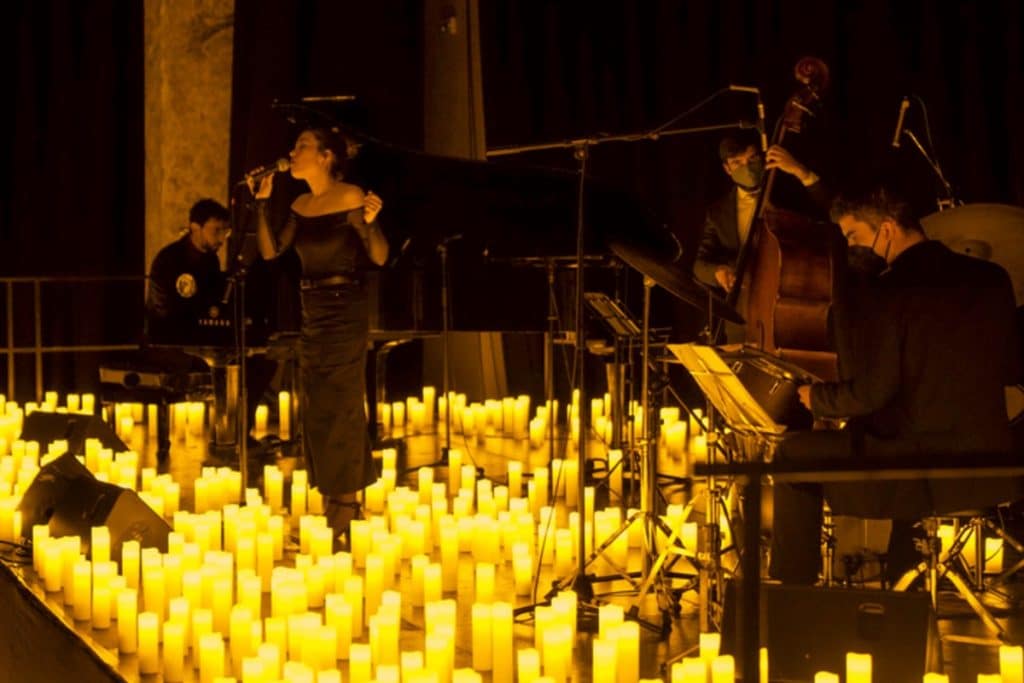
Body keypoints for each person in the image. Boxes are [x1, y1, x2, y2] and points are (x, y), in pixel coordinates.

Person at [769, 185, 1022, 585]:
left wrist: (815, 397)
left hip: (918, 466)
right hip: (991, 461)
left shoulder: (887, 292)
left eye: (853, 236)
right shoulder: (993, 278)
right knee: (906, 426)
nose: (850, 246)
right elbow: (1010, 365)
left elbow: (871, 393)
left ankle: (791, 588)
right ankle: (907, 578)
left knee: (792, 456)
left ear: (886, 230)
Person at [252, 126, 388, 548]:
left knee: (342, 402)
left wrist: (372, 221)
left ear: (326, 156)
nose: (292, 152)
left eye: (302, 147)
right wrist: (261, 205)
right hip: (312, 309)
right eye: (294, 146)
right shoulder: (299, 203)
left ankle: (345, 508)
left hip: (345, 308)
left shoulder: (350, 195)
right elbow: (272, 252)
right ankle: (334, 498)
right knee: (316, 404)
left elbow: (379, 255)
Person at [144, 198, 277, 457]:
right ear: (195, 227)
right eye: (217, 230)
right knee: (231, 364)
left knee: (262, 362)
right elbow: (168, 314)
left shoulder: (210, 261)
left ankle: (237, 433)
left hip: (200, 337)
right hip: (170, 343)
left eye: (226, 232)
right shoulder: (170, 260)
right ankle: (228, 437)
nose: (222, 238)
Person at [692, 129, 832, 299]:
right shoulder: (717, 212)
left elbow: (830, 209)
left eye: (752, 158)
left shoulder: (789, 191)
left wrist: (800, 171)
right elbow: (699, 264)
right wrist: (718, 271)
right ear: (727, 169)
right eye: (737, 162)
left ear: (763, 157)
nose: (747, 167)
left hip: (796, 294)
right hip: (746, 305)